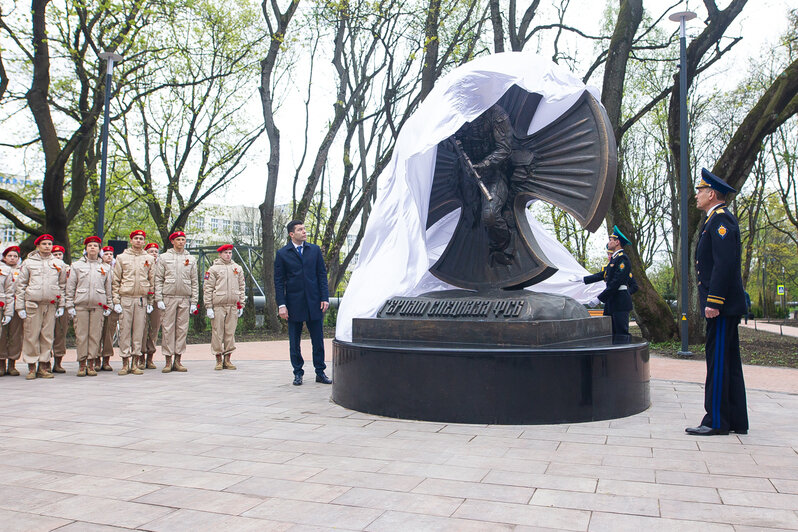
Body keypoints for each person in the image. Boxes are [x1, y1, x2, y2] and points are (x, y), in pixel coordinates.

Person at [686, 168, 748, 436]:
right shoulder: (715, 220)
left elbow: (724, 266)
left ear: (711, 194)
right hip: (723, 306)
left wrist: (714, 301)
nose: (696, 195)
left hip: (720, 308)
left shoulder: (721, 222)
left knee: (719, 362)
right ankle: (735, 420)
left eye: (700, 191)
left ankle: (716, 421)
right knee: (728, 362)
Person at [274, 220, 331, 385]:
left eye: (304, 229)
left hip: (314, 302)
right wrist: (281, 305)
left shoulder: (314, 250)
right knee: (294, 341)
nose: (304, 232)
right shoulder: (283, 253)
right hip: (293, 303)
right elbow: (279, 282)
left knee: (318, 340)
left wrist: (324, 297)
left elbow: (321, 275)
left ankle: (320, 372)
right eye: (300, 230)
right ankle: (297, 373)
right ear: (292, 234)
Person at [15, 234, 67, 379]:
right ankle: (31, 366)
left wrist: (61, 305)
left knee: (47, 336)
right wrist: (20, 307)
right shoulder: (28, 263)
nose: (47, 246)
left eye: (49, 244)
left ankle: (43, 366)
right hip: (33, 304)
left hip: (50, 304)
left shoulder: (58, 263)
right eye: (44, 244)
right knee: (31, 335)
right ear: (38, 245)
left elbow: (62, 286)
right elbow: (21, 286)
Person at [570, 226, 636, 337]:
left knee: (621, 334)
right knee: (610, 333)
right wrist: (582, 279)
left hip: (620, 301)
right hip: (612, 301)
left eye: (611, 240)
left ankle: (622, 355)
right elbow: (602, 275)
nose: (609, 242)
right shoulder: (615, 259)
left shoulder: (622, 259)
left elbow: (616, 282)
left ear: (617, 242)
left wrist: (599, 298)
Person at [66, 236, 113, 376]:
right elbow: (71, 286)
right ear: (85, 249)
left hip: (98, 305)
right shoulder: (76, 266)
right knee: (81, 335)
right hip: (81, 304)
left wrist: (109, 305)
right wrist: (69, 304)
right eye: (90, 245)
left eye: (95, 246)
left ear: (99, 249)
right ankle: (82, 363)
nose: (93, 248)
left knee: (95, 335)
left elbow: (108, 288)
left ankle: (91, 362)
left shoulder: (105, 267)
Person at [154, 231, 198, 373]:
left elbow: (194, 282)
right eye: (178, 239)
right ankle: (167, 360)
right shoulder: (164, 257)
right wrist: (159, 298)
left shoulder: (191, 259)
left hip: (184, 298)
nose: (181, 242)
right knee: (167, 329)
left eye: (183, 239)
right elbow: (158, 279)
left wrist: (194, 301)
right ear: (172, 241)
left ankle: (178, 360)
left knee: (182, 329)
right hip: (168, 297)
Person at [112, 229, 153, 376]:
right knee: (124, 331)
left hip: (141, 299)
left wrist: (151, 301)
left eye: (141, 239)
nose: (138, 241)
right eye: (136, 238)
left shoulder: (149, 258)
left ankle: (135, 362)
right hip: (126, 298)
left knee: (138, 331)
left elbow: (152, 280)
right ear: (131, 240)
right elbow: (116, 280)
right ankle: (124, 363)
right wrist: (116, 300)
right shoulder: (122, 257)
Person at [204, 244, 246, 371]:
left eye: (230, 252)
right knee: (217, 333)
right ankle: (218, 359)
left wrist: (241, 304)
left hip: (233, 305)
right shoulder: (213, 269)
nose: (228, 255)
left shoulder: (237, 268)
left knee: (230, 333)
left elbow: (242, 286)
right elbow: (207, 288)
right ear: (220, 254)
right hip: (218, 305)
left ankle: (228, 359)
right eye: (225, 253)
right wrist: (208, 306)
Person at [0, 246, 23, 376]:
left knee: (15, 335)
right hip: (4, 305)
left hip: (17, 306)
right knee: (2, 335)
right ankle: (1, 363)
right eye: (10, 256)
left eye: (15, 256)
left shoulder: (22, 270)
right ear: (4, 257)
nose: (12, 258)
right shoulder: (1, 269)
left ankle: (12, 364)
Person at [140, 242, 162, 370]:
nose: (154, 253)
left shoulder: (161, 265)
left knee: (154, 328)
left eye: (156, 251)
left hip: (156, 300)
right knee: (142, 328)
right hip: (143, 298)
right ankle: (141, 356)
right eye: (151, 251)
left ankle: (150, 357)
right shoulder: (143, 263)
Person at [50, 244, 69, 373]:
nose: (57, 257)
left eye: (59, 254)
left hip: (64, 304)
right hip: (49, 303)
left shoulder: (68, 269)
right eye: (55, 254)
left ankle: (58, 362)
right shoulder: (48, 267)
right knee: (45, 334)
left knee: (60, 333)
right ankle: (44, 362)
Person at [98, 245, 117, 371]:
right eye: (106, 254)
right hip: (99, 303)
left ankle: (106, 359)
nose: (109, 256)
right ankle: (95, 358)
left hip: (113, 304)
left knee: (109, 333)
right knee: (96, 333)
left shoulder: (116, 268)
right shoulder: (97, 267)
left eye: (111, 254)